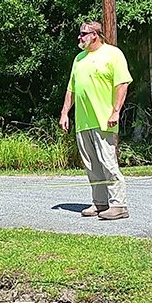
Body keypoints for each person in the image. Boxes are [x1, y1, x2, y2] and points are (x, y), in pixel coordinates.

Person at [59, 20, 132, 220]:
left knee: (108, 162)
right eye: (80, 33)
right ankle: (100, 202)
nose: (79, 37)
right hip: (83, 122)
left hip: (104, 120)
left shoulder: (113, 54)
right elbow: (71, 89)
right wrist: (65, 113)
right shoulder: (79, 59)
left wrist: (116, 111)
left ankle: (119, 205)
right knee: (91, 165)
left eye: (83, 34)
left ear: (95, 35)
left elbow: (122, 84)